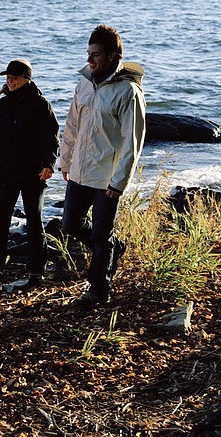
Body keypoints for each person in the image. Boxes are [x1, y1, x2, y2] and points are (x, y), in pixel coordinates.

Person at [60, 25, 146, 306]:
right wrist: (65, 159)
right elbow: (72, 125)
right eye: (88, 53)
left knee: (99, 234)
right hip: (80, 172)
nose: (89, 60)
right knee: (71, 224)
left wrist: (118, 183)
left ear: (112, 56)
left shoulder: (128, 92)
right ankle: (112, 248)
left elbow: (132, 142)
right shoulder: (83, 84)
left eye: (95, 54)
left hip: (107, 179)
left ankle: (98, 289)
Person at [0, 59, 60, 290]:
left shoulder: (40, 104)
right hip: (5, 172)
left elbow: (51, 136)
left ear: (27, 78)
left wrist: (49, 164)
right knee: (0, 222)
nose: (10, 80)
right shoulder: (0, 106)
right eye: (7, 77)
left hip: (34, 173)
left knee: (34, 221)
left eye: (14, 77)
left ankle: (37, 271)